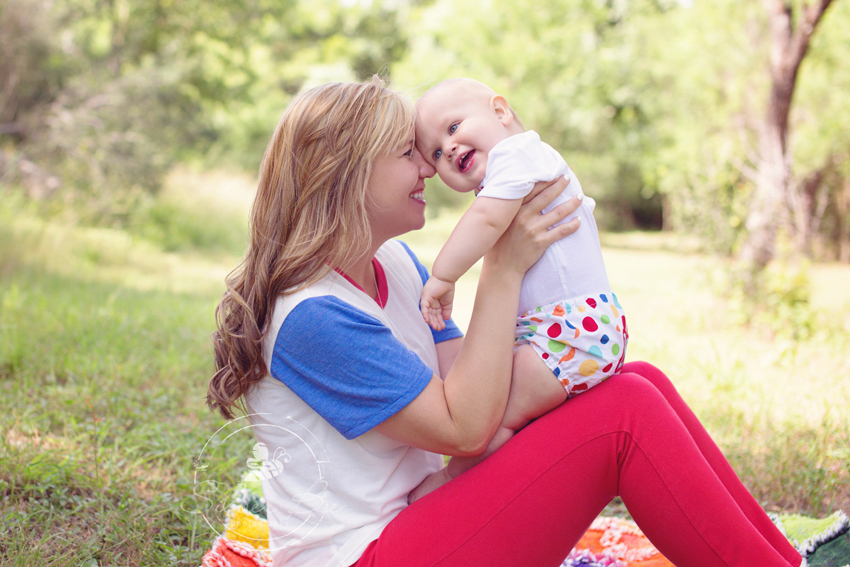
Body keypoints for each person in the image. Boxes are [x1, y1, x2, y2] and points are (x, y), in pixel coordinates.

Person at [207, 77, 803, 567]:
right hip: (365, 554)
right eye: (409, 152)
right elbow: (466, 428)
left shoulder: (394, 264)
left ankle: (779, 560)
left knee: (637, 382)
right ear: (348, 173)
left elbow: (475, 388)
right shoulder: (312, 314)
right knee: (625, 415)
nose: (430, 169)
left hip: (424, 512)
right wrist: (503, 267)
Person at [413, 77, 627, 496]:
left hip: (573, 335)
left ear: (500, 111)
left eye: (454, 128)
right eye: (436, 152)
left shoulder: (519, 154)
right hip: (565, 330)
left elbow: (487, 222)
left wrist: (443, 275)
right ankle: (521, 490)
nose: (450, 148)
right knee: (496, 401)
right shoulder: (511, 172)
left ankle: (452, 481)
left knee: (497, 417)